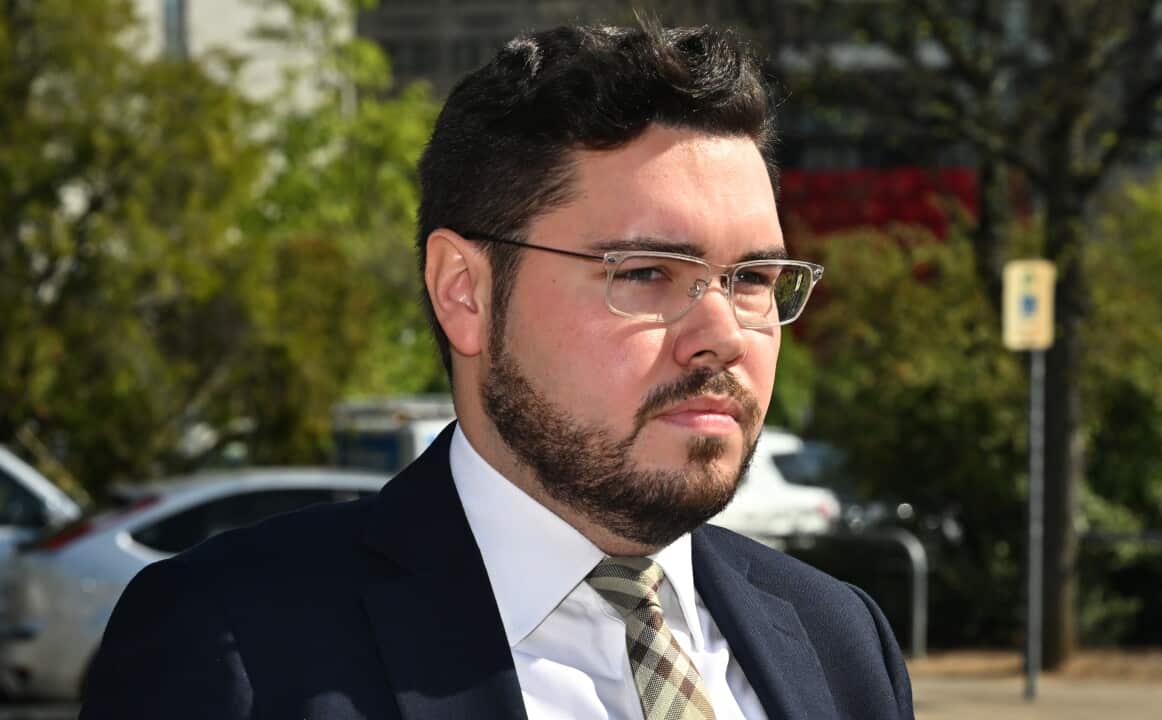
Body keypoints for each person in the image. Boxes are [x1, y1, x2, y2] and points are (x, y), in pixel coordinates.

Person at [81, 21, 914, 720]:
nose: (721, 334)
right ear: (465, 292)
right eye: (646, 272)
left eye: (753, 280)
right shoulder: (237, 648)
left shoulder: (840, 642)